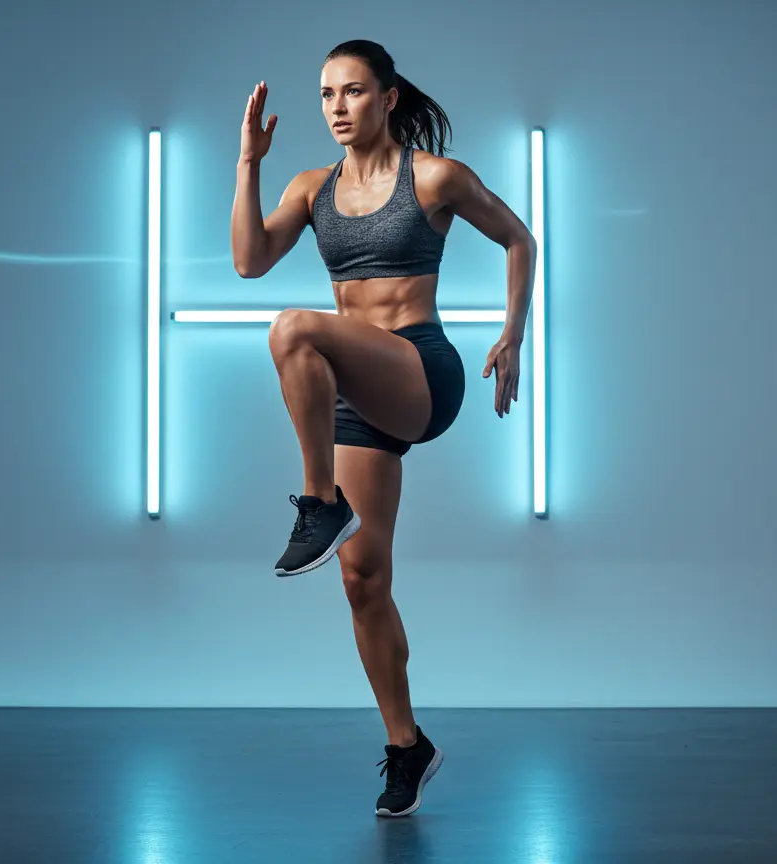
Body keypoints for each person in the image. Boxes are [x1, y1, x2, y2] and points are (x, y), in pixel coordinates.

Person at [229, 39, 536, 817]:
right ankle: (408, 747)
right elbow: (248, 260)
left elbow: (519, 239)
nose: (338, 106)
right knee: (363, 581)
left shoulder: (433, 178)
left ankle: (317, 501)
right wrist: (248, 162)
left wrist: (512, 335)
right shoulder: (310, 187)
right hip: (354, 394)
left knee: (295, 328)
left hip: (420, 373)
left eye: (354, 92)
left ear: (389, 97)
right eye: (328, 93)